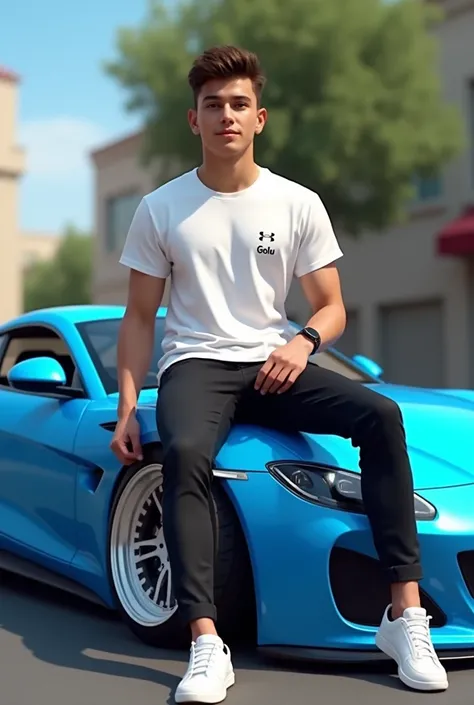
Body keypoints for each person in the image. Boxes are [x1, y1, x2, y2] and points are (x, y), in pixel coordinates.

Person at [111, 45, 448, 703]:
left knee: (381, 416)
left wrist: (303, 342)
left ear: (259, 117)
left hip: (274, 361)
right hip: (197, 363)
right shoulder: (161, 207)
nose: (226, 116)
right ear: (194, 119)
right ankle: (206, 641)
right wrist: (128, 404)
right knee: (182, 453)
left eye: (239, 104)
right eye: (214, 106)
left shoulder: (296, 203)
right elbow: (139, 317)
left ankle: (404, 617)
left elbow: (332, 306)